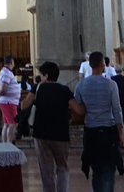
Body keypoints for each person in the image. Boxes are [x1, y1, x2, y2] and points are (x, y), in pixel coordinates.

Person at [25, 60, 83, 192]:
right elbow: (78, 110)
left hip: (41, 133)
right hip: (60, 133)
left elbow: (24, 105)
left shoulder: (38, 88)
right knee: (62, 166)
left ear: (46, 75)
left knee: (46, 169)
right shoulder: (64, 90)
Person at [73, 50, 124, 192]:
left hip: (91, 131)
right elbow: (116, 109)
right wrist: (121, 131)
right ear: (103, 65)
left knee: (96, 169)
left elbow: (77, 108)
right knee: (108, 168)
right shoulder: (111, 85)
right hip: (108, 130)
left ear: (90, 65)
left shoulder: (81, 85)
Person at [0, 54, 22, 143]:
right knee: (13, 123)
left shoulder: (5, 72)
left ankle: (5, 145)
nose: (14, 64)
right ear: (11, 62)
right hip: (8, 102)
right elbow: (4, 89)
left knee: (7, 124)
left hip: (8, 102)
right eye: (13, 62)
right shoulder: (7, 73)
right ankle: (9, 144)